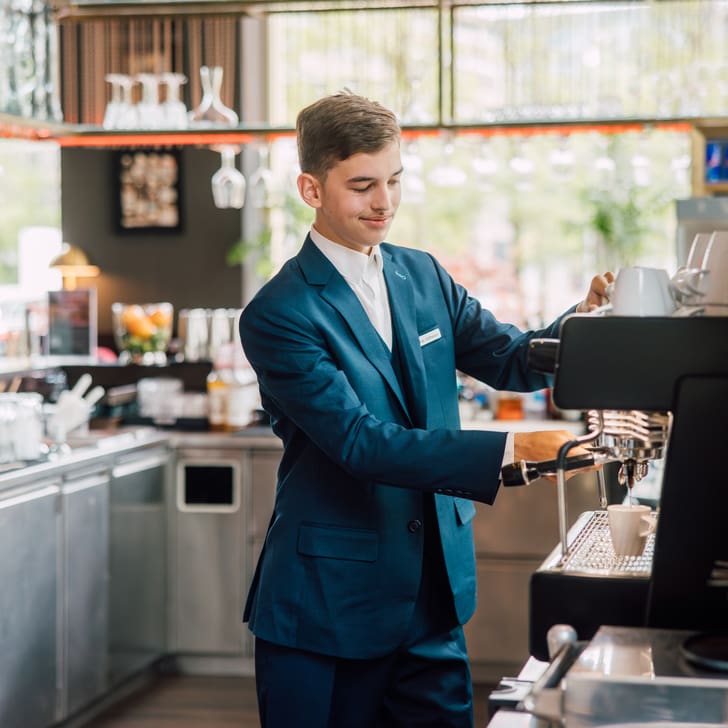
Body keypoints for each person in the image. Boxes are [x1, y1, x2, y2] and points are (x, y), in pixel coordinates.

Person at [238, 91, 613, 728]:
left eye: (394, 180)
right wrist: (510, 450)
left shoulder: (423, 275)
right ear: (311, 187)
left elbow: (514, 358)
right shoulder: (280, 314)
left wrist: (594, 323)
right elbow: (362, 442)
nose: (384, 202)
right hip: (327, 611)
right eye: (362, 186)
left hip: (434, 602)